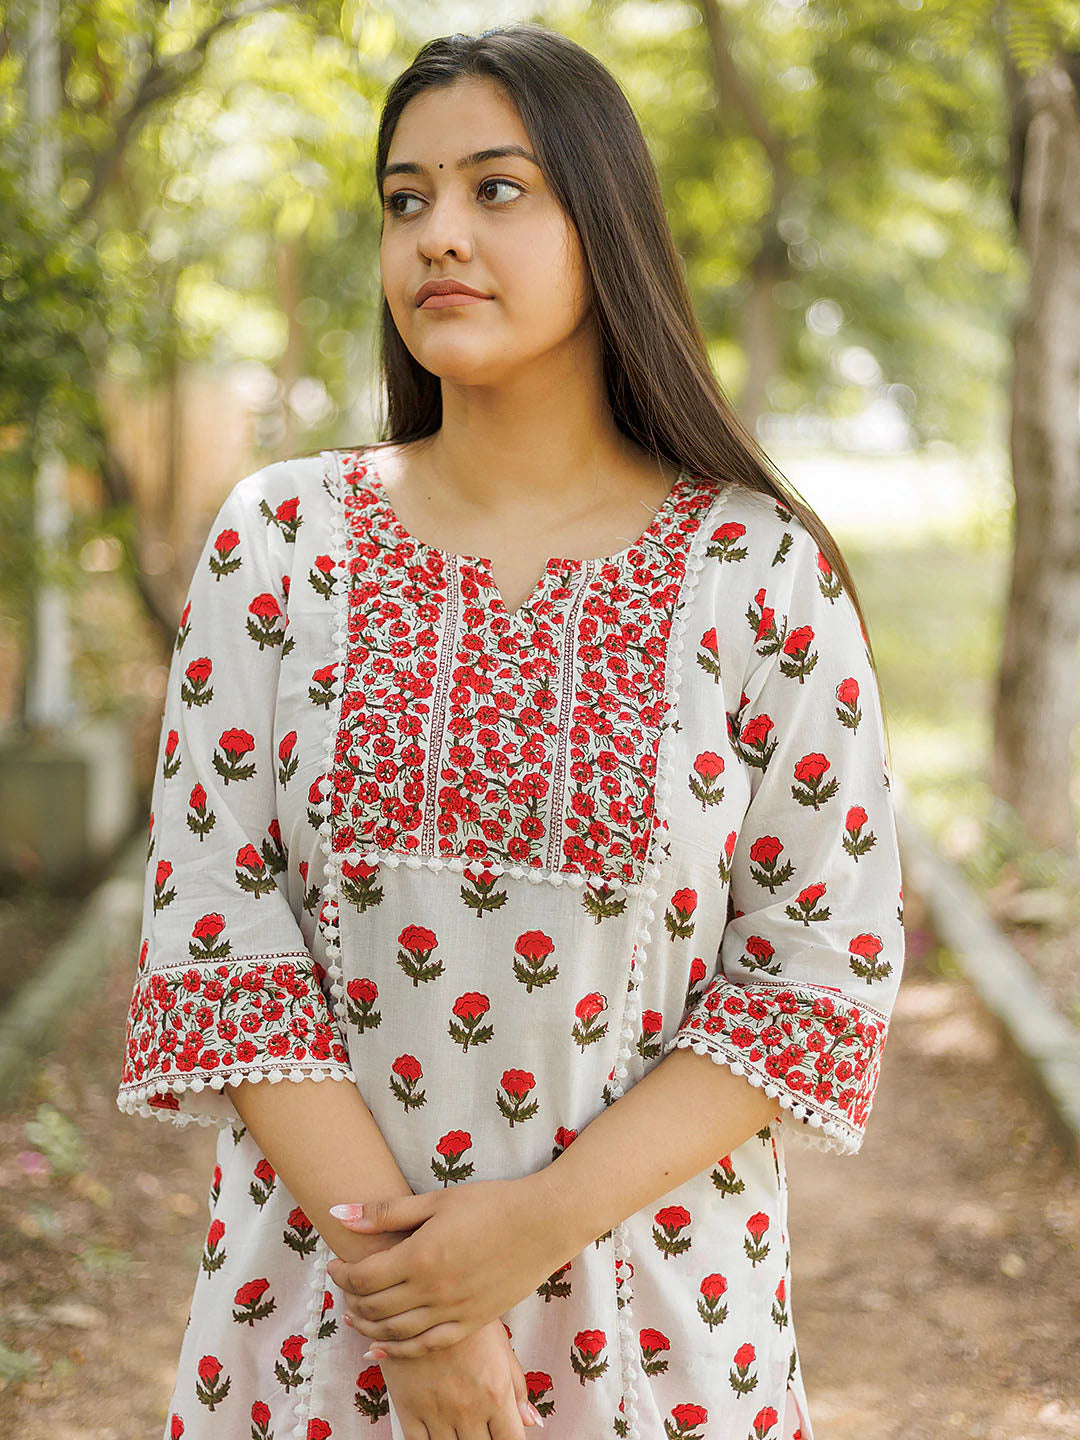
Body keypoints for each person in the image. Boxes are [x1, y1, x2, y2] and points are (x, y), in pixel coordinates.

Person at [116, 22, 905, 1440]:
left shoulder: (761, 570)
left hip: (666, 1330)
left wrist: (524, 1232)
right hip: (313, 1325)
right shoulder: (282, 542)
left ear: (604, 223)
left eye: (497, 189)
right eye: (405, 199)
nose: (438, 235)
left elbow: (814, 972)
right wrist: (412, 1308)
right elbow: (221, 936)